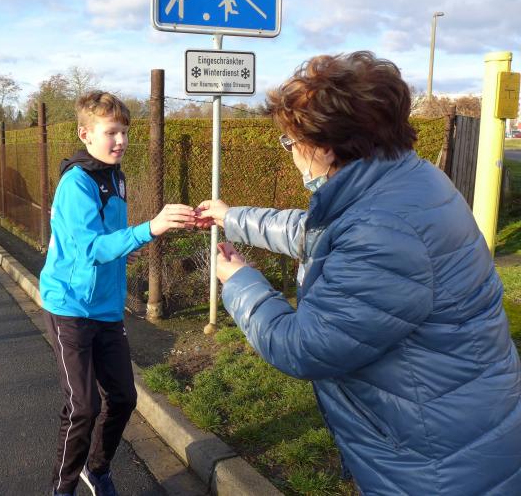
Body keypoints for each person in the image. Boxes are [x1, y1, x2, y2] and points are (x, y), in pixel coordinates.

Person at [195, 51, 521, 494]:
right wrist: (233, 218)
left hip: (435, 462)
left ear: (326, 147)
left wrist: (240, 282)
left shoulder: (383, 227)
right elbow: (317, 234)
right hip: (461, 424)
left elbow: (305, 346)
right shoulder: (407, 182)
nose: (292, 155)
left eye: (291, 142)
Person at [40, 91, 195, 496]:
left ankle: (98, 469)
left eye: (124, 132)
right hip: (70, 306)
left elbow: (112, 239)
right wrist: (150, 228)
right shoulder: (76, 183)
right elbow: (91, 248)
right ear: (86, 134)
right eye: (111, 132)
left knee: (124, 398)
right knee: (83, 407)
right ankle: (62, 489)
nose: (121, 140)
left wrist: (137, 242)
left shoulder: (117, 177)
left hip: (107, 308)